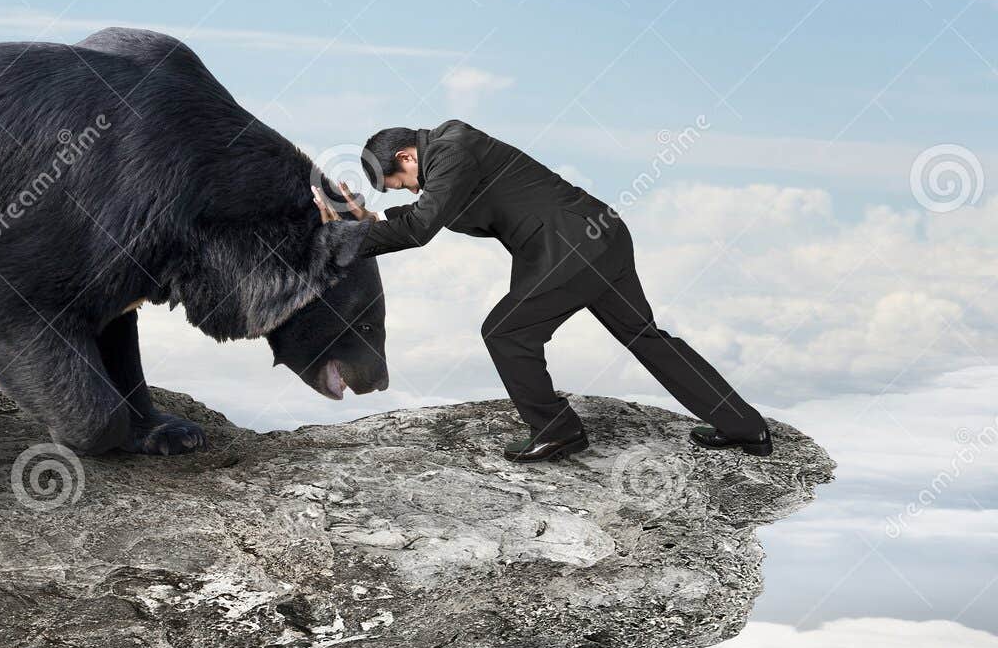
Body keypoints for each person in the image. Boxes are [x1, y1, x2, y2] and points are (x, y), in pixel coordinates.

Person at [312, 120, 770, 463]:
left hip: (570, 247)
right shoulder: (452, 149)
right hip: (593, 237)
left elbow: (420, 228)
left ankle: (556, 430)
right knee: (644, 335)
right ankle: (745, 427)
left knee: (506, 333)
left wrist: (344, 239)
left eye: (401, 184)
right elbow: (423, 217)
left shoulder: (450, 155)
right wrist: (365, 223)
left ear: (408, 156)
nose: (410, 190)